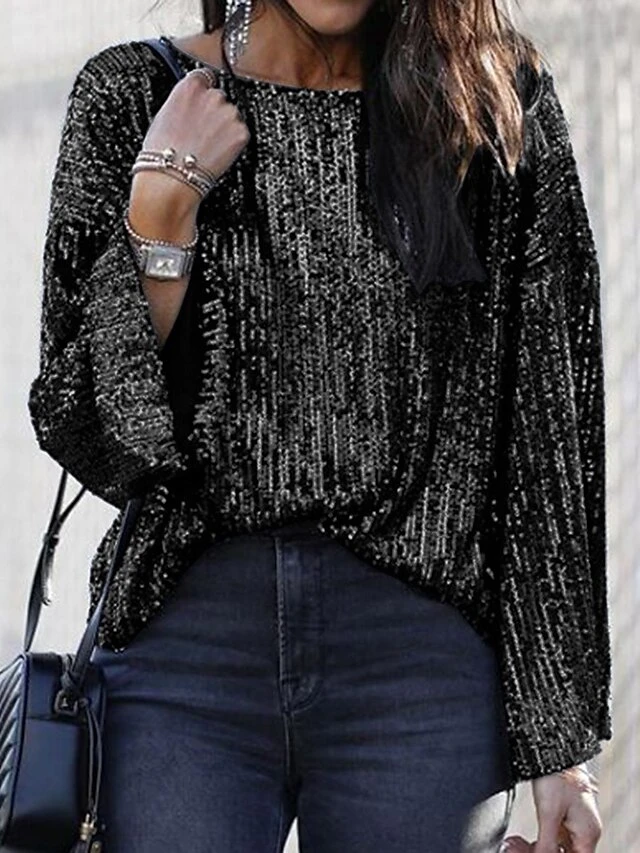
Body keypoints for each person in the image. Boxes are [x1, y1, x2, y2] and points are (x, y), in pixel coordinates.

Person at [27, 1, 612, 851]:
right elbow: (87, 431)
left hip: (420, 667)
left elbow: (546, 427)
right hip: (184, 661)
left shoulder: (491, 103)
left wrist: (560, 748)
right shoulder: (132, 95)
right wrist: (160, 212)